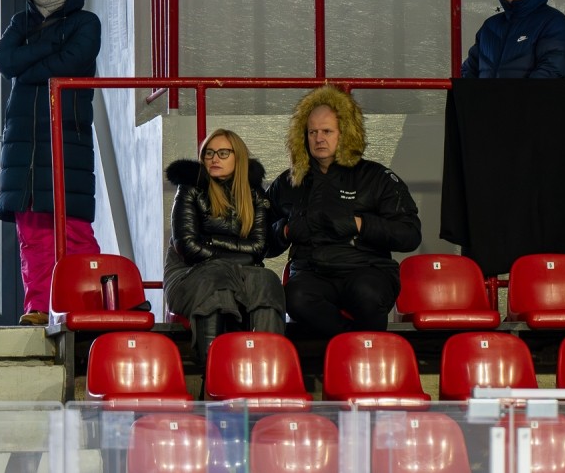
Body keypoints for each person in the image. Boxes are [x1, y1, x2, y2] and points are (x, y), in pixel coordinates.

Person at [0, 0, 102, 326]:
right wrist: (50, 45)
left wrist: (27, 63)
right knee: (33, 232)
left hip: (66, 137)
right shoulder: (21, 21)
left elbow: (72, 62)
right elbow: (3, 60)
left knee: (74, 230)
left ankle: (90, 305)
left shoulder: (86, 22)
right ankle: (39, 308)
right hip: (23, 142)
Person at [266, 85, 422, 336]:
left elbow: (410, 234)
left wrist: (359, 224)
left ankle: (361, 350)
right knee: (295, 298)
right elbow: (260, 241)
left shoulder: (376, 177)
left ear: (345, 132)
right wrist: (284, 230)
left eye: (327, 131)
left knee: (367, 293)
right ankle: (352, 343)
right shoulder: (288, 182)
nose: (319, 138)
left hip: (367, 268)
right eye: (312, 132)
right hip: (311, 272)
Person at [164, 129, 285, 367]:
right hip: (188, 276)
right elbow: (188, 247)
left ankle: (267, 369)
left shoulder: (255, 195)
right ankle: (213, 373)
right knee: (217, 278)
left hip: (240, 274)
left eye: (222, 153)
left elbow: (259, 247)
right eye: (208, 153)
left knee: (267, 280)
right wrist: (239, 254)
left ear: (238, 158)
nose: (214, 159)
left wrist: (210, 241)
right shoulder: (190, 188)